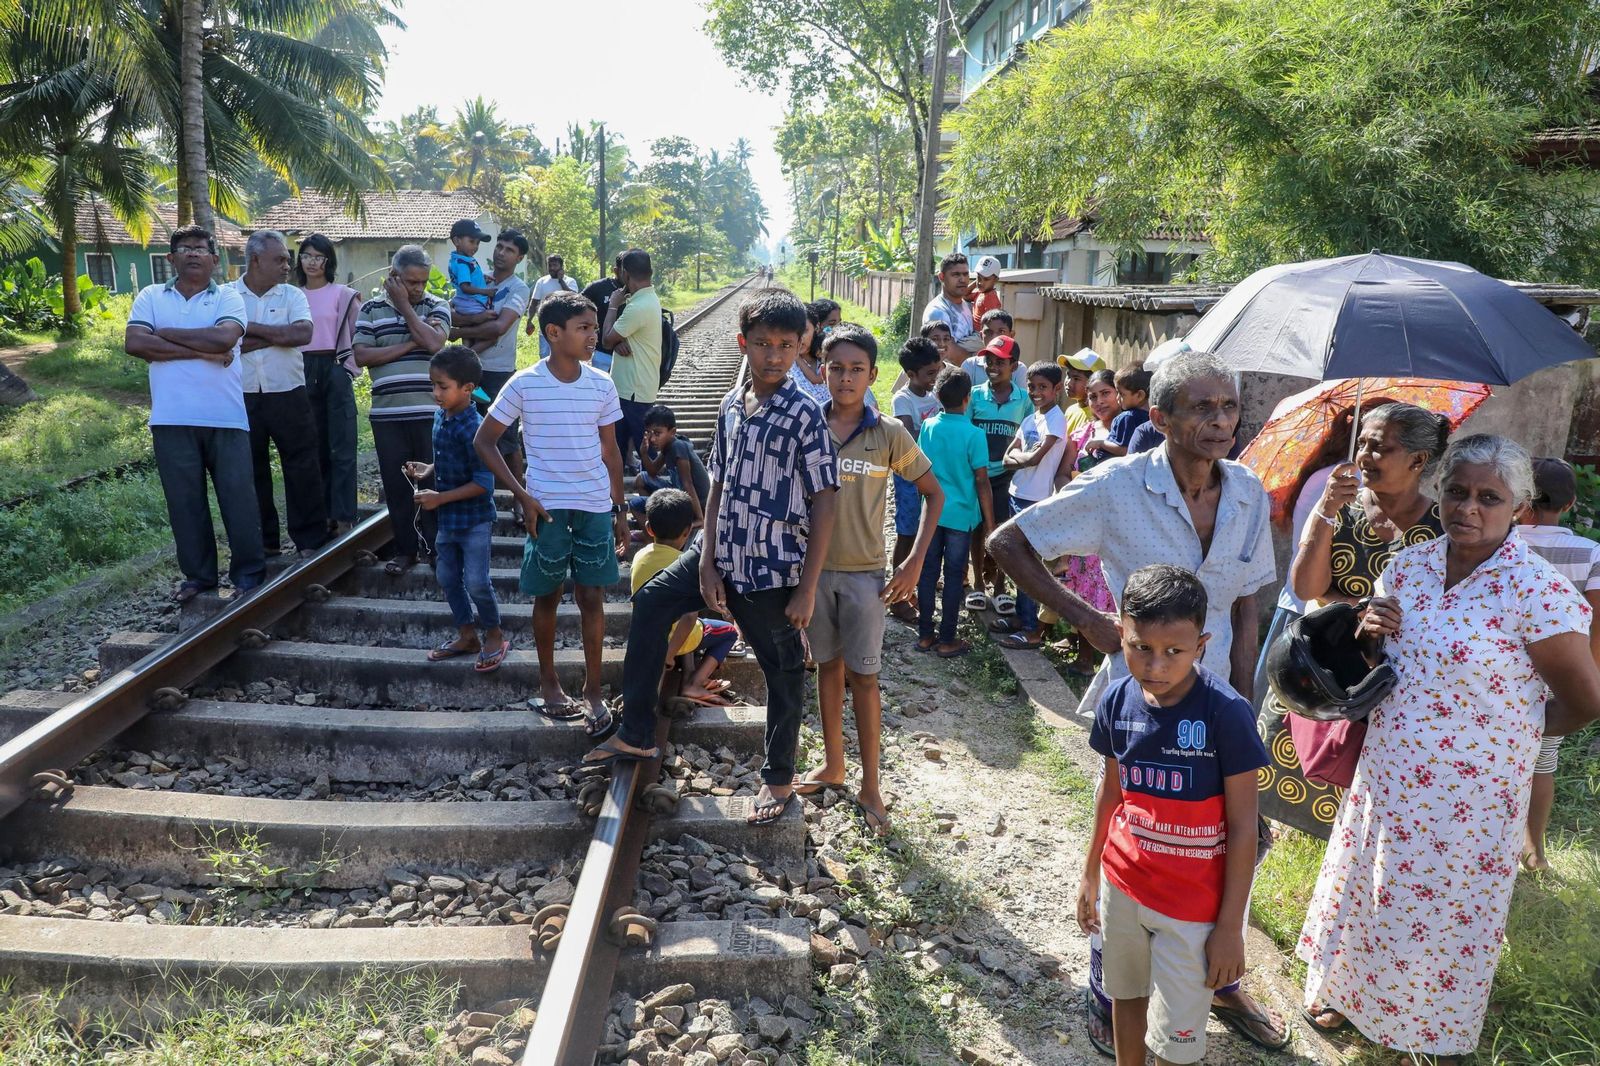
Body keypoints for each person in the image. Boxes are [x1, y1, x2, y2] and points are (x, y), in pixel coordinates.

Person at [987, 350, 1287, 1055]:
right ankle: (1110, 985)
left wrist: (1242, 701)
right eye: (1201, 409)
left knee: (1228, 838)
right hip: (1141, 701)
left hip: (1218, 707)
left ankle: (1219, 975)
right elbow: (1009, 541)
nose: (1219, 422)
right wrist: (1089, 621)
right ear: (1160, 417)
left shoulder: (1245, 491)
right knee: (1133, 837)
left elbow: (1245, 606)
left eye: (1228, 408)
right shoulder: (1119, 485)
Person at [1298, 435, 1600, 1064]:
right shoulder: (1406, 568)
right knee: (1373, 887)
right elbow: (1385, 666)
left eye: (1489, 497)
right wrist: (1369, 633)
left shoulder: (1536, 592)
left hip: (1471, 795)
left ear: (1518, 506)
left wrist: (1507, 738)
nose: (1469, 507)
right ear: (1438, 493)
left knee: (1440, 912)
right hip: (1390, 770)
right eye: (1457, 491)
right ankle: (1347, 994)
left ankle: (1417, 1030)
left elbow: (1583, 700)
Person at [582, 288, 839, 830]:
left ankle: (778, 778)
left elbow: (825, 499)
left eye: (786, 345)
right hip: (716, 549)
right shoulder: (730, 403)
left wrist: (808, 586)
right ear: (743, 344)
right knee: (652, 600)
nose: (774, 355)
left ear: (801, 347)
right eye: (764, 344)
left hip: (771, 565)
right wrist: (705, 557)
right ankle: (637, 731)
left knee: (783, 668)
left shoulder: (805, 414)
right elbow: (718, 481)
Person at [1079, 564, 1271, 1066]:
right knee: (1125, 997)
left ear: (1201, 645)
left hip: (1194, 911)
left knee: (1176, 1046)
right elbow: (1110, 793)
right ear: (1121, 631)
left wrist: (1230, 927)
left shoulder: (1225, 714)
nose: (1156, 666)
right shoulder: (1117, 700)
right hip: (1123, 887)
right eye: (1141, 646)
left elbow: (1243, 825)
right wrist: (1089, 876)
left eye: (1174, 652)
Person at [796, 324, 944, 836]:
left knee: (865, 677)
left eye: (856, 369)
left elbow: (934, 493)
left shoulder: (888, 434)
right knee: (826, 669)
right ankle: (834, 764)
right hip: (812, 577)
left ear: (872, 375)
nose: (845, 377)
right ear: (822, 371)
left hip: (864, 578)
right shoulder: (806, 426)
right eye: (835, 367)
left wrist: (915, 562)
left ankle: (871, 785)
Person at [475, 290, 627, 729]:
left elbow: (611, 451)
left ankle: (593, 689)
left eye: (594, 328)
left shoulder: (602, 382)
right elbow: (485, 441)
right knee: (548, 596)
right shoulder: (525, 383)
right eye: (584, 328)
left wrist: (619, 509)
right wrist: (522, 495)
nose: (593, 336)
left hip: (595, 505)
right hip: (548, 509)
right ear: (553, 333)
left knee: (592, 597)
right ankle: (548, 682)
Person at [124, 225, 264, 602]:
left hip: (226, 416)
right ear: (171, 258)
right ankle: (199, 577)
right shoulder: (151, 295)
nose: (193, 254)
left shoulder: (229, 298)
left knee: (238, 499)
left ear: (215, 260)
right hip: (171, 418)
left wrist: (165, 335)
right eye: (184, 248)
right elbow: (135, 342)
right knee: (185, 504)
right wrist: (202, 352)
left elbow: (224, 339)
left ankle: (248, 573)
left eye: (201, 249)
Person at [1514, 457, 1600, 872]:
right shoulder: (1589, 553)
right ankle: (1534, 853)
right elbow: (1596, 624)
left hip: (1496, 677)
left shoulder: (1497, 543)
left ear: (1520, 499)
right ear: (1568, 506)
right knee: (1540, 766)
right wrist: (1588, 679)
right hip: (1557, 682)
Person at [406, 346, 507, 673]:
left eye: (442, 386)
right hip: (449, 520)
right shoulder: (441, 415)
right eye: (432, 385)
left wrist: (439, 498)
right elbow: (449, 457)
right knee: (447, 576)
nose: (436, 393)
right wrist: (429, 470)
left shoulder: (476, 428)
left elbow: (484, 484)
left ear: (467, 388)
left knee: (477, 581)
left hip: (474, 519)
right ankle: (467, 635)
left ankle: (493, 633)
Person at [1289, 403, 1449, 607]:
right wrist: (1325, 511)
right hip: (1336, 638)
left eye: (1378, 447)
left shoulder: (1443, 526)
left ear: (1417, 459)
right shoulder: (1338, 507)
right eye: (1361, 444)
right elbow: (1305, 590)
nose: (1363, 456)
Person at [353, 245, 452, 574]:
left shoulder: (437, 305)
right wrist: (414, 341)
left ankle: (437, 551)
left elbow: (436, 344)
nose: (418, 289)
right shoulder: (369, 309)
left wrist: (406, 309)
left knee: (433, 484)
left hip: (429, 412)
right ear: (393, 277)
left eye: (422, 282)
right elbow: (363, 356)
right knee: (397, 488)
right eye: (411, 283)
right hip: (387, 415)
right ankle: (406, 551)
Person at [230, 230, 327, 558]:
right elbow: (224, 343)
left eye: (289, 259)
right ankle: (265, 542)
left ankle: (310, 540)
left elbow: (302, 333)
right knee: (250, 469)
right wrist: (277, 335)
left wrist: (247, 328)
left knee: (302, 466)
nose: (289, 265)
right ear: (256, 260)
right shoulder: (227, 296)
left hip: (288, 392)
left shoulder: (293, 296)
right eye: (280, 259)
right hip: (241, 395)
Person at [632, 488, 740, 706]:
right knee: (728, 632)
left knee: (676, 614)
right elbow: (690, 619)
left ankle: (687, 669)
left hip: (648, 635)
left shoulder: (639, 556)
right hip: (677, 642)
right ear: (688, 531)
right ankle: (695, 682)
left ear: (648, 529)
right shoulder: (684, 566)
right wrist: (668, 656)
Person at [917, 367, 993, 657]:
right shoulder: (974, 434)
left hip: (932, 512)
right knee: (953, 576)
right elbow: (982, 480)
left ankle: (925, 635)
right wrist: (990, 522)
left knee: (927, 572)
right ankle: (948, 638)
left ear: (937, 396)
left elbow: (921, 471)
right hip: (961, 517)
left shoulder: (929, 427)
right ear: (967, 399)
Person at [448, 229, 532, 491]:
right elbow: (453, 311)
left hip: (498, 373)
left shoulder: (518, 288)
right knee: (466, 433)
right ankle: (480, 492)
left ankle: (518, 498)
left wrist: (459, 333)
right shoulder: (478, 280)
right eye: (500, 246)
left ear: (519, 259)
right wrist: (464, 323)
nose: (501, 253)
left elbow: (498, 328)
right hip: (468, 373)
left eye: (510, 250)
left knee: (506, 439)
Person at [992, 361, 1067, 649]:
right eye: (1032, 386)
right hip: (1016, 493)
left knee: (1029, 564)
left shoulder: (1055, 420)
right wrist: (1023, 458)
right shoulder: (1031, 418)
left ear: (1057, 389)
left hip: (1036, 499)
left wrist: (1022, 458)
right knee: (1016, 561)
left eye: (1043, 387)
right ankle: (1020, 617)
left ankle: (1031, 626)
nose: (1036, 392)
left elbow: (1034, 458)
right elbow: (1006, 457)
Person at [294, 232, 361, 535]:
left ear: (328, 261)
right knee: (312, 445)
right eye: (306, 255)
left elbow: (359, 334)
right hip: (300, 370)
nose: (312, 262)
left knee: (342, 446)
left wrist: (347, 367)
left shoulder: (343, 294)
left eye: (318, 257)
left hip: (334, 367)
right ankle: (321, 516)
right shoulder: (291, 294)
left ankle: (344, 515)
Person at [967, 335, 1031, 615]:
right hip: (978, 475)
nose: (993, 366)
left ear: (1014, 365)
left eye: (1000, 362)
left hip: (1008, 477)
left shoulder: (1024, 399)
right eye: (989, 361)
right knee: (978, 529)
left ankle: (1002, 586)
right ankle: (979, 582)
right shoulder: (975, 395)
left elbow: (1030, 434)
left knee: (1004, 529)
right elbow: (967, 433)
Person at [889, 337, 945, 622]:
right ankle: (897, 597)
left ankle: (914, 587)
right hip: (909, 477)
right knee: (908, 533)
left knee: (928, 532)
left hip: (933, 474)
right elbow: (909, 438)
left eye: (938, 370)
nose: (936, 377)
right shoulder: (903, 399)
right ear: (911, 375)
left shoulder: (936, 396)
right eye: (930, 373)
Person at [602, 249, 664, 464]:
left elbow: (606, 340)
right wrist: (620, 340)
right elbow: (620, 338)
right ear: (651, 271)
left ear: (625, 274)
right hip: (636, 387)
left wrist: (613, 305)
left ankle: (657, 493)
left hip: (632, 391)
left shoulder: (637, 306)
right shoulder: (648, 299)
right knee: (627, 448)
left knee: (646, 453)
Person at [633, 404, 709, 525]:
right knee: (641, 479)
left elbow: (688, 483)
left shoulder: (678, 446)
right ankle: (653, 518)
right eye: (649, 433)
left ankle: (652, 534)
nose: (652, 439)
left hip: (698, 502)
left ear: (672, 432)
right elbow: (652, 471)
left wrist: (700, 519)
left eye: (657, 433)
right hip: (679, 491)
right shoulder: (667, 446)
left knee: (634, 504)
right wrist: (644, 453)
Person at [921, 252, 980, 355]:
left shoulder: (967, 306)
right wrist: (977, 368)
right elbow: (949, 354)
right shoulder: (937, 311)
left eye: (965, 274)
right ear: (942, 277)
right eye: (956, 274)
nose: (962, 279)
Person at [1091, 363, 1150, 459]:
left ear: (1140, 395)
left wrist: (1100, 443)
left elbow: (1125, 450)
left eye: (1121, 394)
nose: (1117, 397)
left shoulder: (1128, 417)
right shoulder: (1154, 419)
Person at [523, 253, 580, 344]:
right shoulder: (541, 282)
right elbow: (534, 303)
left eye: (555, 265)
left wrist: (561, 281)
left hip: (565, 329)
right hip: (545, 330)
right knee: (545, 357)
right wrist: (529, 321)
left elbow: (574, 298)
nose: (552, 268)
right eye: (550, 265)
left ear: (561, 267)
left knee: (564, 357)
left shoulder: (570, 281)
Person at [582, 254, 625, 374]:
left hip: (629, 354)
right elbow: (577, 312)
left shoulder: (638, 290)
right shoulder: (597, 288)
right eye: (626, 270)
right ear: (616, 270)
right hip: (603, 354)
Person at [446, 219, 496, 316]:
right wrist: (486, 292)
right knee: (489, 321)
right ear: (457, 241)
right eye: (472, 241)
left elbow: (466, 278)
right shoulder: (462, 264)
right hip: (471, 304)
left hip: (465, 302)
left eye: (478, 243)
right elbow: (465, 287)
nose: (475, 246)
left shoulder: (459, 260)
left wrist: (481, 279)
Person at [961, 308, 1015, 385]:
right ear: (981, 336)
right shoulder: (970, 365)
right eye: (988, 332)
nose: (994, 337)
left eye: (1001, 331)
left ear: (1011, 335)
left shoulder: (1017, 368)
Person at [967, 254, 1002, 324]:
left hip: (979, 333)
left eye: (986, 279)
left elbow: (991, 323)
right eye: (978, 277)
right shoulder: (980, 293)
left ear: (995, 280)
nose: (981, 282)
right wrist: (976, 282)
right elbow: (964, 295)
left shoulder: (991, 298)